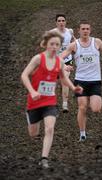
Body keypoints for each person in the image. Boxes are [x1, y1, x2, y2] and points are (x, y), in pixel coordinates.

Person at [21, 31, 83, 168]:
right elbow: (24, 75)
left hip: (50, 101)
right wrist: (32, 91)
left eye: (57, 44)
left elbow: (63, 78)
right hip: (35, 101)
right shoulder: (38, 59)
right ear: (46, 45)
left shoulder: (60, 61)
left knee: (49, 128)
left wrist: (73, 88)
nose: (54, 47)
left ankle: (44, 158)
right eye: (52, 44)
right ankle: (30, 116)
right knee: (33, 133)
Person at [60, 20, 102, 141]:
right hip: (80, 81)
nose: (85, 31)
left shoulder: (96, 42)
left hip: (95, 81)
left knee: (96, 109)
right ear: (79, 31)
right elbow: (60, 57)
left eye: (87, 29)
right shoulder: (74, 45)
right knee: (82, 107)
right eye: (83, 29)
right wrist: (65, 66)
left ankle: (93, 103)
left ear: (90, 30)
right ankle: (82, 133)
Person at [50, 14, 76, 113]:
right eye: (59, 21)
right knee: (54, 84)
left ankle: (65, 105)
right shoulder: (52, 33)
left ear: (65, 22)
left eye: (63, 20)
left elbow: (74, 41)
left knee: (65, 81)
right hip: (55, 60)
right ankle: (52, 104)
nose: (61, 22)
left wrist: (76, 47)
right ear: (56, 22)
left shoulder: (70, 31)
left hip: (68, 60)